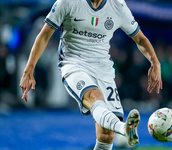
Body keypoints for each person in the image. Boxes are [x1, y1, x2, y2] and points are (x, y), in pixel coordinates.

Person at [19, 0, 162, 149]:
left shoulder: (118, 6)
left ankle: (120, 128)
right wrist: (28, 70)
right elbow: (44, 35)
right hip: (73, 63)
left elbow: (140, 38)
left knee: (106, 135)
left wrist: (155, 63)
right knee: (94, 97)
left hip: (103, 69)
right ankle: (123, 128)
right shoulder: (68, 2)